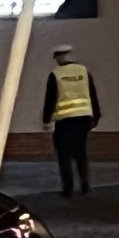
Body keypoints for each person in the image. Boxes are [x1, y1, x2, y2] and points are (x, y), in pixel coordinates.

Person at [42, 44, 101, 196]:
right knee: (80, 152)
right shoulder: (83, 71)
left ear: (59, 57)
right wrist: (96, 116)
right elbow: (92, 93)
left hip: (65, 121)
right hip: (83, 118)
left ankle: (67, 189)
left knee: (64, 155)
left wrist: (46, 119)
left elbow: (50, 99)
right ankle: (85, 184)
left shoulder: (55, 74)